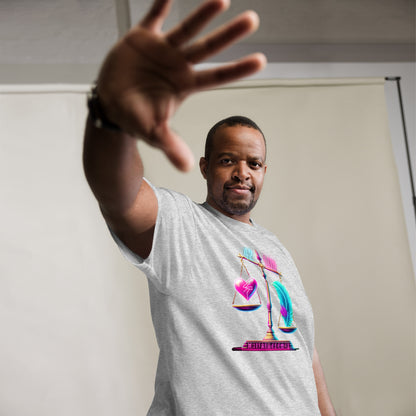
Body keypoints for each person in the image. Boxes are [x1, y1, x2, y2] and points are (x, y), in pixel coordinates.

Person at [83, 0, 336, 414]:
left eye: (253, 163)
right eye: (227, 160)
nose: (242, 172)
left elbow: (305, 352)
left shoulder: (275, 250)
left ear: (264, 171)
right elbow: (119, 195)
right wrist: (112, 118)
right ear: (205, 167)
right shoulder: (183, 226)